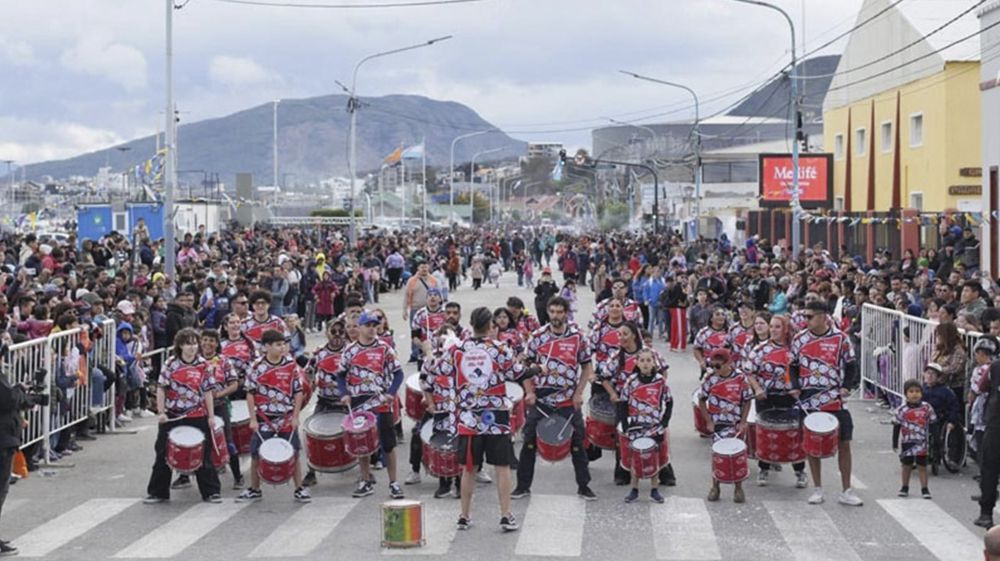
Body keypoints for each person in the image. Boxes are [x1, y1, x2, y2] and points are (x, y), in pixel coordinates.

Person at [441, 307, 524, 531]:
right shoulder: (499, 349)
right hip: (496, 417)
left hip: (468, 418)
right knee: (502, 466)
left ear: (470, 324)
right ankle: (506, 514)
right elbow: (518, 373)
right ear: (490, 326)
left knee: (469, 468)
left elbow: (441, 371)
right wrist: (539, 368)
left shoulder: (457, 349)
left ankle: (464, 516)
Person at [513, 296, 597, 501]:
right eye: (553, 312)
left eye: (560, 312)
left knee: (578, 442)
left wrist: (579, 393)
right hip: (541, 400)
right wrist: (529, 392)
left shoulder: (578, 337)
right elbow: (525, 368)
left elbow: (586, 367)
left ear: (566, 313)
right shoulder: (538, 336)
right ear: (548, 312)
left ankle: (584, 486)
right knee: (529, 442)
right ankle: (522, 486)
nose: (556, 316)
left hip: (568, 399)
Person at [788, 300, 863, 507]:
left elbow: (850, 365)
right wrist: (794, 386)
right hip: (808, 399)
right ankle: (817, 488)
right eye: (805, 316)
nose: (806, 320)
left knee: (844, 442)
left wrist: (846, 386)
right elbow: (792, 365)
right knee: (812, 444)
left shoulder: (840, 338)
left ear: (823, 316)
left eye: (810, 316)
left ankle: (846, 489)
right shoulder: (799, 339)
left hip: (834, 398)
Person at [144, 328, 222, 504]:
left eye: (195, 343)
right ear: (180, 345)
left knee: (204, 454)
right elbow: (161, 388)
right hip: (173, 415)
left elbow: (208, 392)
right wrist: (161, 411)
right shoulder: (170, 364)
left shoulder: (204, 365)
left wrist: (210, 416)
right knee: (163, 453)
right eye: (188, 344)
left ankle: (210, 491)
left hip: (197, 414)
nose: (192, 347)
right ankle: (158, 492)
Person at [236, 329, 310, 504]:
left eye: (283, 344)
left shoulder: (291, 366)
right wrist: (253, 419)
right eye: (278, 344)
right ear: (266, 347)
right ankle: (255, 488)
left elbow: (298, 392)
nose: (282, 347)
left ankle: (299, 488)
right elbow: (250, 393)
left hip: (285, 416)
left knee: (293, 452)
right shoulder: (256, 367)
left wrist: (296, 416)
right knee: (256, 454)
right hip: (264, 418)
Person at [337, 310, 405, 500]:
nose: (372, 329)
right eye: (368, 325)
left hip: (381, 402)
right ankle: (365, 481)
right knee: (362, 444)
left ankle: (393, 483)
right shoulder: (350, 351)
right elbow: (341, 374)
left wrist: (391, 394)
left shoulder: (385, 349)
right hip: (359, 403)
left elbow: (398, 374)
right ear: (359, 327)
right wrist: (344, 394)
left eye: (375, 325)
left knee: (388, 444)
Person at [743, 315, 804, 487]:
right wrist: (757, 389)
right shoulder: (761, 349)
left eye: (778, 327)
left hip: (789, 398)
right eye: (772, 327)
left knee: (794, 434)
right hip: (766, 398)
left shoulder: (795, 349)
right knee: (765, 434)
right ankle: (764, 468)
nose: (773, 330)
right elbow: (749, 372)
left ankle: (800, 471)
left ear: (785, 329)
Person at [620, 347, 673, 504]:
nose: (645, 363)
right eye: (642, 360)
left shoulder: (660, 381)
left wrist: (664, 422)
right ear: (636, 363)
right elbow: (623, 402)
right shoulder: (631, 381)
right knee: (636, 457)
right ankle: (634, 489)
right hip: (636, 426)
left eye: (648, 360)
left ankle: (654, 489)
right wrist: (624, 424)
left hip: (654, 426)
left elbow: (669, 402)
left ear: (654, 363)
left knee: (654, 457)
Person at [698, 348, 751, 503]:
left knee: (737, 456)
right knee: (717, 456)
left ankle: (738, 487)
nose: (715, 369)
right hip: (718, 424)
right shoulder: (710, 379)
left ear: (729, 364)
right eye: (712, 366)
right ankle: (715, 486)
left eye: (718, 366)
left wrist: (743, 421)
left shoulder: (740, 379)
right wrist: (708, 421)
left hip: (734, 424)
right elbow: (701, 400)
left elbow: (747, 400)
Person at [301, 318, 350, 487]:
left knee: (356, 434)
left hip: (346, 402)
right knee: (311, 435)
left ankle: (365, 471)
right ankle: (311, 471)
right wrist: (310, 382)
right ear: (326, 333)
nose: (337, 335)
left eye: (340, 332)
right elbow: (308, 373)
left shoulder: (351, 352)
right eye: (333, 331)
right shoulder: (319, 353)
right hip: (325, 400)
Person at [891, 379, 936, 499]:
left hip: (922, 443)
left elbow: (933, 423)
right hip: (907, 443)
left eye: (917, 391)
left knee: (922, 465)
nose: (914, 394)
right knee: (907, 465)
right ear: (906, 394)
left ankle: (925, 488)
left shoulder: (927, 408)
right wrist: (894, 442)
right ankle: (904, 487)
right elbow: (896, 426)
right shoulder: (902, 409)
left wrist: (935, 440)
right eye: (911, 391)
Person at [409, 288, 447, 367]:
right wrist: (423, 347)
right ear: (426, 299)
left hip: (444, 353)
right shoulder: (420, 314)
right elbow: (414, 336)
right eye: (430, 295)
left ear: (440, 298)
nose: (432, 297)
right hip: (425, 353)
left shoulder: (445, 313)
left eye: (435, 295)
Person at [693, 307, 729, 380]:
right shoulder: (703, 333)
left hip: (727, 366)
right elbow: (696, 348)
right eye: (717, 314)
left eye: (723, 314)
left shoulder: (730, 332)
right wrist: (701, 362)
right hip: (710, 366)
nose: (721, 316)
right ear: (711, 318)